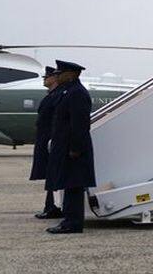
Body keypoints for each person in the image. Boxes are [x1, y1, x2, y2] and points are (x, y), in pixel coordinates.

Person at [45, 60, 94, 234]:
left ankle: (73, 223)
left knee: (74, 185)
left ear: (72, 74)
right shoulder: (68, 92)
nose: (58, 75)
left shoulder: (77, 93)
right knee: (69, 183)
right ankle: (68, 220)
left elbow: (80, 124)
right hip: (66, 147)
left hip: (73, 149)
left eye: (61, 73)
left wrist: (76, 148)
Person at [30, 66, 62, 219]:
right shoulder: (52, 95)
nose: (45, 78)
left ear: (55, 78)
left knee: (54, 175)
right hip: (46, 140)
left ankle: (53, 207)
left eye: (47, 76)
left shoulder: (57, 96)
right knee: (51, 175)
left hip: (51, 140)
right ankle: (50, 206)